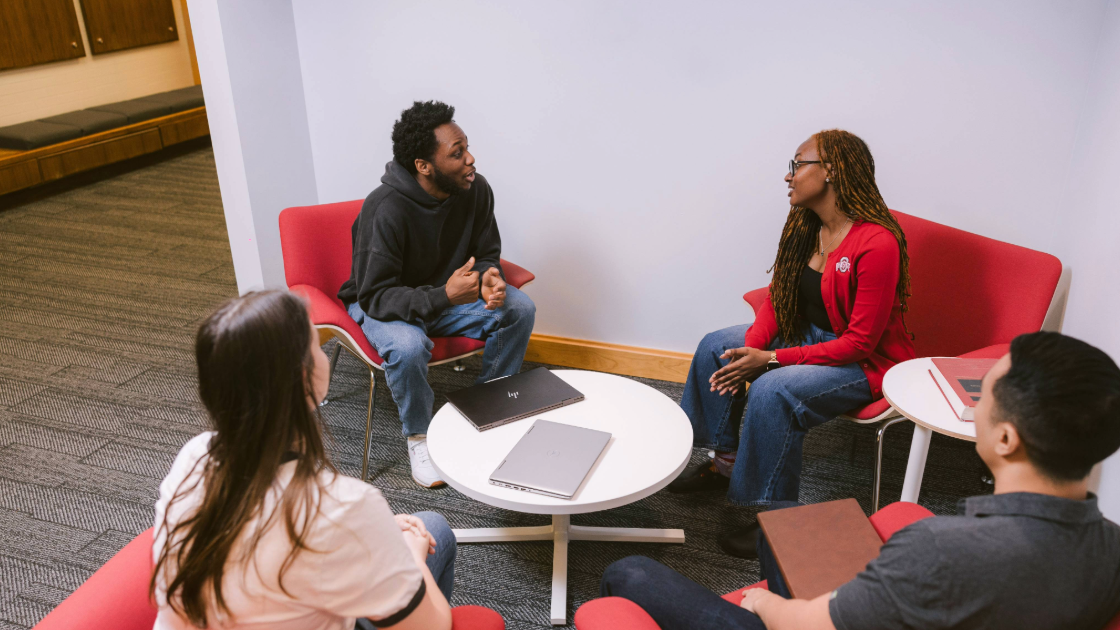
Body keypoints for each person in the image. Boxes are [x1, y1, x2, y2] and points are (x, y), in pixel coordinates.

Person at [600, 331, 1120, 629]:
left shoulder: (939, 550)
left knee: (630, 575)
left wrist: (762, 603)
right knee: (784, 527)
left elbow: (809, 625)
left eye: (985, 390)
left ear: (1006, 439)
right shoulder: (1111, 548)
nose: (975, 398)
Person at [668, 129, 916, 557]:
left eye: (798, 164)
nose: (789, 176)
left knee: (771, 389)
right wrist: (753, 349)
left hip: (861, 361)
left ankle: (774, 521)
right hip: (807, 337)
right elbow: (779, 298)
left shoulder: (877, 243)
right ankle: (725, 463)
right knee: (717, 346)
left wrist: (770, 360)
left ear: (832, 170)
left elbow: (858, 343)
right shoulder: (805, 225)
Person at [151, 291, 458, 630]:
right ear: (304, 376)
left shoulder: (194, 456)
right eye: (317, 344)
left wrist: (374, 533)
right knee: (433, 530)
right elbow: (432, 626)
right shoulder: (344, 505)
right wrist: (409, 555)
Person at [338, 100, 536, 488]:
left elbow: (486, 253)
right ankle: (419, 438)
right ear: (423, 166)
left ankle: (486, 409)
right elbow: (375, 294)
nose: (470, 159)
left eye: (467, 147)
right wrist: (444, 296)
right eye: (457, 153)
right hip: (385, 302)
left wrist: (488, 278)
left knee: (520, 308)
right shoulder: (385, 209)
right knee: (409, 347)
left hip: (446, 296)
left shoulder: (475, 190)